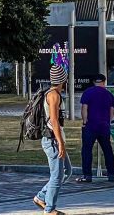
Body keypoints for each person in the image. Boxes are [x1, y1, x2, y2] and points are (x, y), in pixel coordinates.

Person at [33, 64, 72, 215]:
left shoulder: (51, 93)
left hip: (54, 139)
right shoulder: (54, 95)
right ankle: (49, 209)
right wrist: (60, 143)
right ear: (62, 79)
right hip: (52, 140)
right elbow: (54, 120)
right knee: (57, 176)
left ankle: (41, 197)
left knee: (66, 172)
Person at [76, 74, 114, 183]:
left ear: (94, 82)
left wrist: (85, 122)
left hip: (91, 125)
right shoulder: (109, 95)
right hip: (104, 126)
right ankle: (111, 174)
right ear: (104, 82)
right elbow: (112, 112)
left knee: (87, 149)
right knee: (107, 150)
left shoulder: (87, 92)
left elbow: (84, 109)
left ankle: (87, 175)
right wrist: (107, 122)